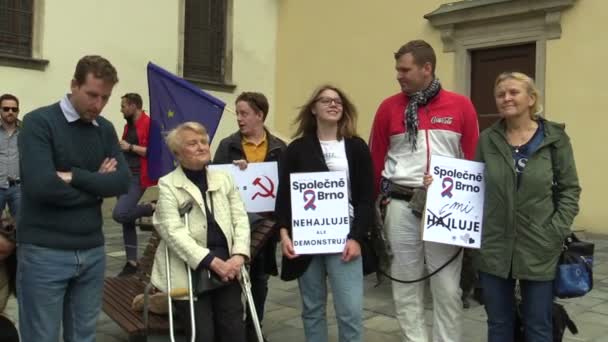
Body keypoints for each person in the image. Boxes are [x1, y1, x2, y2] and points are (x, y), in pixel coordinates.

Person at [369, 39, 479, 342]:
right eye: (397, 69)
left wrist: (472, 208)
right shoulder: (388, 108)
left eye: (405, 69)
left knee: (446, 287)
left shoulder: (461, 105)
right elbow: (376, 159)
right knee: (405, 284)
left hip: (446, 208)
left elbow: (471, 158)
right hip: (401, 204)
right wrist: (376, 203)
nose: (399, 75)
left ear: (426, 68)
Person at [17, 55, 130, 342]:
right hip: (45, 252)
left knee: (84, 337)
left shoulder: (104, 128)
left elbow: (122, 181)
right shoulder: (38, 122)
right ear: (73, 85)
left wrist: (75, 176)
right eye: (92, 95)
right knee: (41, 337)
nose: (98, 105)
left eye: (105, 98)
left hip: (92, 253)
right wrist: (97, 185)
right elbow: (41, 186)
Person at [474, 72, 581, 341]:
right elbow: (473, 184)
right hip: (495, 246)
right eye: (500, 94)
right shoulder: (487, 139)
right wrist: (440, 184)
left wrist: (555, 231)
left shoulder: (555, 139)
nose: (506, 98)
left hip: (540, 244)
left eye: (513, 92)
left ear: (531, 99)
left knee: (538, 325)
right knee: (499, 324)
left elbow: (570, 189)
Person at [275, 84, 373, 342]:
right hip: (306, 241)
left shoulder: (356, 147)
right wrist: (284, 235)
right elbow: (284, 196)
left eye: (338, 101)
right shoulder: (296, 149)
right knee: (312, 309)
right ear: (313, 109)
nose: (333, 104)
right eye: (326, 100)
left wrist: (357, 238)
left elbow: (365, 198)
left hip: (345, 239)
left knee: (350, 312)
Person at [150, 122, 250, 342]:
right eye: (192, 143)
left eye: (204, 141)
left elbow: (240, 218)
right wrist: (213, 262)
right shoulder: (168, 184)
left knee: (234, 329)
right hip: (189, 267)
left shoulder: (223, 178)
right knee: (202, 334)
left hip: (228, 264)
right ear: (177, 154)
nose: (202, 146)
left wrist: (239, 255)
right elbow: (172, 231)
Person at [213, 91, 286, 341]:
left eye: (245, 114)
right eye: (238, 114)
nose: (240, 119)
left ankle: (254, 327)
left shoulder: (278, 148)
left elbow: (284, 186)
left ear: (260, 115)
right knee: (232, 276)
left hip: (265, 227)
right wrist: (232, 171)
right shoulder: (228, 145)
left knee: (259, 279)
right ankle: (231, 328)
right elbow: (213, 180)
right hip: (234, 225)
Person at [112, 92, 156, 276]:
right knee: (127, 220)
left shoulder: (150, 124)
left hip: (139, 177)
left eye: (123, 106)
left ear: (133, 106)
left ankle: (150, 207)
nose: (121, 110)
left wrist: (129, 147)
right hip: (123, 175)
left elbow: (153, 152)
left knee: (120, 213)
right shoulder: (127, 125)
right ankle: (132, 261)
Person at [0, 94, 21, 218]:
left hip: (18, 188)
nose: (10, 112)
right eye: (6, 108)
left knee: (22, 226)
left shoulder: (26, 131)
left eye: (14, 109)